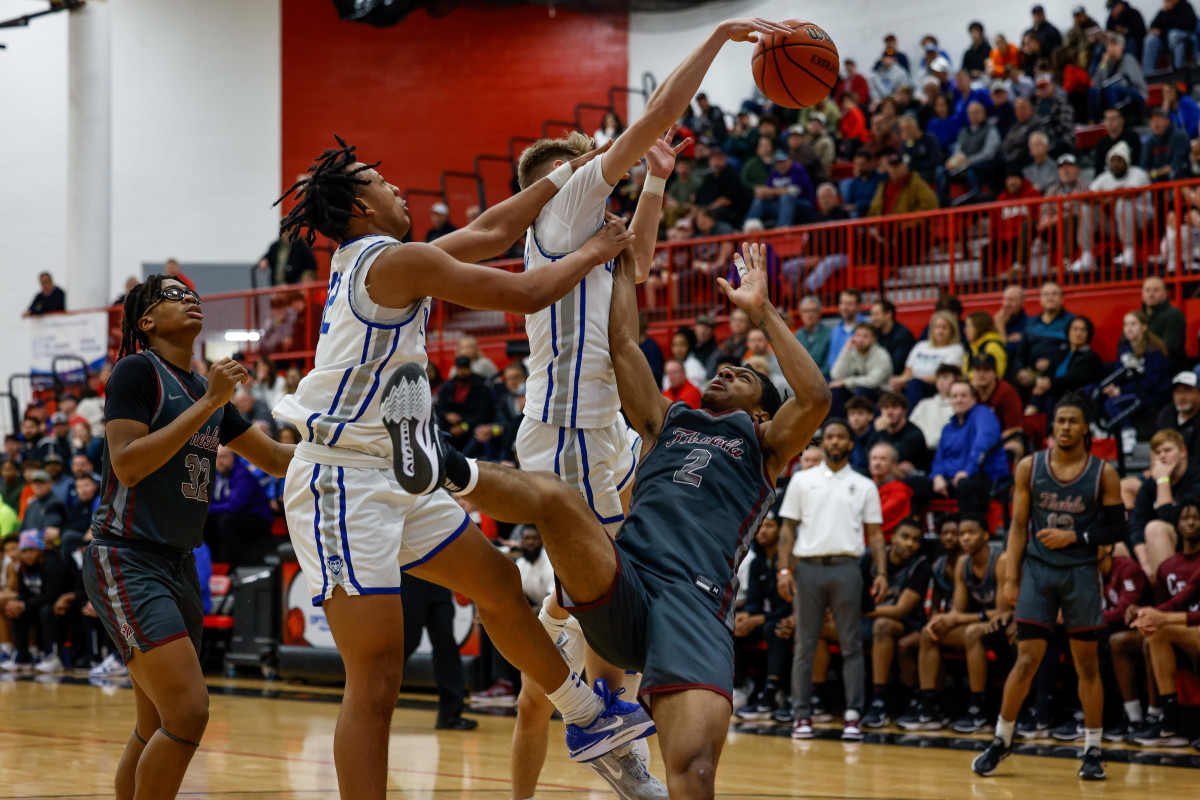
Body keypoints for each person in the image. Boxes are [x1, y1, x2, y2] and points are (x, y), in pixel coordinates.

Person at [269, 132, 644, 800]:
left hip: (394, 466)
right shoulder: (391, 262)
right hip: (341, 478)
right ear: (360, 208)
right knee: (378, 677)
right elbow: (528, 293)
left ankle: (587, 718)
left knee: (499, 583)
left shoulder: (387, 259)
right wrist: (595, 249)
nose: (396, 189)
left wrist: (574, 174)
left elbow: (495, 226)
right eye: (379, 183)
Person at [383, 239, 827, 798]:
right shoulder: (669, 419)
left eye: (741, 374)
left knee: (693, 769)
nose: (726, 371)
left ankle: (613, 736)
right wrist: (620, 263)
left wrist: (760, 311)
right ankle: (442, 464)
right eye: (727, 367)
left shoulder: (765, 445)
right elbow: (622, 344)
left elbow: (814, 397)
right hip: (626, 581)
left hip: (694, 601)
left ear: (762, 410)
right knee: (560, 500)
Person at [77, 276, 293, 799]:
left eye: (192, 293)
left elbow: (276, 460)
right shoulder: (136, 371)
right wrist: (211, 403)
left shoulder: (204, 390)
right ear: (145, 322)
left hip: (177, 562)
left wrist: (351, 446)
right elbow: (127, 466)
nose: (190, 299)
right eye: (173, 295)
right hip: (126, 556)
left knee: (156, 725)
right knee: (189, 712)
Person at [972, 394, 1125, 781]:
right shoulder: (1030, 466)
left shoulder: (1103, 473)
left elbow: (1117, 529)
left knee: (1087, 666)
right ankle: (1002, 739)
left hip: (1081, 573)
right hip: (1039, 573)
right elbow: (1018, 526)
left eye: (1073, 421)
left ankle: (1092, 749)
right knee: (1025, 661)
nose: (1065, 427)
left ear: (1085, 427)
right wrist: (1010, 577)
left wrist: (1077, 536)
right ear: (1052, 426)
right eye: (1060, 421)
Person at [778, 418, 887, 741]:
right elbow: (787, 529)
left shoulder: (865, 485)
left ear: (851, 444)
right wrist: (784, 570)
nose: (836, 441)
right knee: (805, 645)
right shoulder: (802, 480)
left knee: (851, 643)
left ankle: (853, 714)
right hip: (808, 568)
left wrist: (880, 571)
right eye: (831, 437)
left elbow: (877, 535)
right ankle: (801, 715)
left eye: (842, 437)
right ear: (823, 443)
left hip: (847, 567)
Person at [906, 513, 1006, 732]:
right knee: (929, 632)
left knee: (972, 632)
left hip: (1005, 623)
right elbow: (958, 608)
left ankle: (977, 710)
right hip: (979, 621)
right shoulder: (963, 562)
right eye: (962, 534)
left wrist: (957, 618)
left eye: (971, 533)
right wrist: (945, 618)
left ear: (986, 536)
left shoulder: (1001, 560)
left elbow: (1002, 611)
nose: (965, 538)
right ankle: (929, 707)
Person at [1127, 497, 1200, 746]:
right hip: (1190, 631)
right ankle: (1167, 720)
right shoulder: (1169, 566)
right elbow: (1178, 600)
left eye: (1196, 517)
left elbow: (1172, 611)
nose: (1191, 523)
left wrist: (1163, 617)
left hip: (1193, 627)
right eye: (1185, 518)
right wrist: (1144, 614)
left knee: (1161, 628)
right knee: (1155, 633)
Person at [861, 517, 931, 728]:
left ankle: (879, 702)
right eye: (905, 537)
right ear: (892, 538)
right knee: (822, 628)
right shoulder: (868, 561)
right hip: (868, 621)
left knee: (883, 625)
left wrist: (860, 611)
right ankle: (813, 697)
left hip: (906, 624)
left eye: (916, 540)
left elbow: (901, 610)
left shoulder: (921, 566)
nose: (910, 544)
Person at [732, 513, 795, 721]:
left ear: (781, 531)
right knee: (731, 624)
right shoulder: (757, 561)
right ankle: (741, 685)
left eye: (770, 526)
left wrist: (758, 619)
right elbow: (754, 600)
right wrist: (746, 615)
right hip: (766, 617)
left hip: (786, 619)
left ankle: (772, 692)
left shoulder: (789, 562)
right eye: (761, 526)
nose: (764, 531)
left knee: (773, 629)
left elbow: (789, 606)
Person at [401, 573, 477, 730]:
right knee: (406, 644)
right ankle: (369, 704)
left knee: (447, 646)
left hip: (438, 581)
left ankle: (450, 715)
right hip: (410, 577)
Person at [1129, 429, 1200, 580]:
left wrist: (1163, 481)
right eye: (1157, 452)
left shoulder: (1196, 478)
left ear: (1182, 452)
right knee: (1118, 548)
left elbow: (1174, 521)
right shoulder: (1149, 485)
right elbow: (1137, 523)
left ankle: (1168, 597)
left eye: (1167, 450)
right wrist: (1145, 562)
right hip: (1160, 551)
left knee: (1155, 528)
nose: (1162, 456)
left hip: (1192, 544)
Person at [930, 379, 1008, 513]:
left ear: (973, 399)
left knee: (964, 485)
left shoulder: (984, 415)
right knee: (914, 484)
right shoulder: (947, 428)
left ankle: (969, 528)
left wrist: (967, 471)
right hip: (952, 479)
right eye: (954, 396)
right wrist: (937, 476)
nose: (958, 400)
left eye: (963, 395)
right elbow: (939, 457)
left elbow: (982, 445)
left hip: (984, 476)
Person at [1103, 310, 1170, 436]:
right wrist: (1113, 387)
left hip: (1151, 394)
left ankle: (1128, 433)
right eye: (1126, 325)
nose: (1129, 328)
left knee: (1111, 403)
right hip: (1132, 391)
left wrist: (1122, 391)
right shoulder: (1124, 349)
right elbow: (1119, 374)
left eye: (1133, 324)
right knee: (1096, 393)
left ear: (1144, 327)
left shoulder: (1153, 349)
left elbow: (1153, 381)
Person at [1088, 141, 1153, 268]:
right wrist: (1103, 200)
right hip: (1114, 223)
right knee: (1086, 207)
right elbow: (1087, 196)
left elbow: (1128, 194)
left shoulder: (1138, 174)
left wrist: (1107, 198)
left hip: (1142, 221)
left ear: (1127, 162)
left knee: (1123, 201)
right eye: (1113, 161)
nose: (1116, 164)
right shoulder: (1104, 177)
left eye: (1119, 161)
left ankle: (1129, 250)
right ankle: (1086, 254)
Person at [1028, 315, 1105, 414]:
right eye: (1075, 329)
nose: (1078, 333)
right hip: (1053, 391)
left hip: (1075, 397)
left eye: (1083, 330)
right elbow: (1049, 371)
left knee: (1048, 397)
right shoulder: (1062, 352)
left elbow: (1073, 380)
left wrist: (1049, 383)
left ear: (1088, 334)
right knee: (1040, 393)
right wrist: (1041, 381)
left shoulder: (1091, 357)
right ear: (1068, 332)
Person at [892, 310, 965, 409]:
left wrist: (912, 380)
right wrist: (899, 380)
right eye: (937, 327)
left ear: (952, 330)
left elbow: (943, 377)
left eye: (944, 328)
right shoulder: (921, 345)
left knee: (915, 385)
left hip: (936, 388)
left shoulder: (956, 350)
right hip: (911, 385)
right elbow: (907, 372)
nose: (940, 331)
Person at [829, 323, 894, 416]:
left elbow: (873, 381)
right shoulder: (851, 353)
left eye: (865, 336)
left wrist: (847, 381)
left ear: (874, 339)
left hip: (880, 393)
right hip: (855, 392)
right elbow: (835, 375)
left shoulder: (881, 355)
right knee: (836, 392)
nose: (860, 339)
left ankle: (861, 425)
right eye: (858, 335)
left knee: (862, 390)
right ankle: (838, 424)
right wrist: (846, 349)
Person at [970, 355, 1025, 458]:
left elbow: (1015, 429)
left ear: (995, 373)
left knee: (1014, 447)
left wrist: (989, 442)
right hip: (976, 439)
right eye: (977, 370)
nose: (981, 374)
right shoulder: (969, 393)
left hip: (1003, 439)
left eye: (986, 370)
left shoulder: (1006, 392)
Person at [436, 356, 495, 451]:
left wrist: (465, 426)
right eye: (460, 368)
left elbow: (484, 413)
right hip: (449, 424)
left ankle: (465, 458)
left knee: (480, 430)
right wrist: (447, 415)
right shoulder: (447, 386)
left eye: (465, 368)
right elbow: (439, 408)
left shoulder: (481, 386)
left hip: (471, 424)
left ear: (470, 368)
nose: (463, 372)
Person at [869, 391, 931, 475]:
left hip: (916, 476)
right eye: (886, 408)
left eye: (894, 407)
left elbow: (893, 457)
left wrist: (881, 432)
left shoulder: (914, 434)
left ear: (904, 411)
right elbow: (868, 455)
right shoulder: (881, 430)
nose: (889, 412)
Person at [1089, 32, 1147, 121]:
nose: (1112, 49)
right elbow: (1096, 82)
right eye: (1109, 46)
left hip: (1134, 91)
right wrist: (1103, 64)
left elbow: (1127, 82)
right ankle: (1092, 121)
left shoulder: (1128, 59)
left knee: (1111, 88)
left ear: (1122, 47)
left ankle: (1112, 119)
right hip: (1112, 89)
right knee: (1093, 90)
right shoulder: (1107, 62)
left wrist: (1108, 84)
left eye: (1115, 45)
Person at [1139, 276, 1187, 371]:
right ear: (1142, 294)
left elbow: (1170, 348)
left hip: (1167, 369)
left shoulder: (1174, 315)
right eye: (1147, 290)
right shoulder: (1138, 316)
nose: (1151, 294)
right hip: (1141, 365)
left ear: (1165, 294)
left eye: (1156, 290)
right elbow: (1123, 344)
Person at [868, 441, 915, 536]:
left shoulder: (899, 491)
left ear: (893, 464)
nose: (877, 463)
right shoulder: (864, 486)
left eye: (883, 459)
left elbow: (880, 518)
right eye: (874, 458)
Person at [912, 364, 962, 450]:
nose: (941, 382)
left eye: (945, 378)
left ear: (956, 380)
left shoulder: (959, 407)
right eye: (939, 378)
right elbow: (911, 427)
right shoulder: (924, 403)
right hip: (919, 450)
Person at [1143, 0, 1199, 72]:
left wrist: (1162, 32)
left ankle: (1176, 70)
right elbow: (1153, 27)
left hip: (1184, 38)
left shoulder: (1185, 6)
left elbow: (1184, 26)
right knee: (1150, 39)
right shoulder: (1164, 11)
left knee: (1173, 35)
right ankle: (1148, 73)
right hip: (1165, 40)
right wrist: (1163, 12)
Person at [1142, 108, 1189, 183]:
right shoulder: (1150, 142)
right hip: (1157, 185)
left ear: (1167, 121)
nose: (1155, 124)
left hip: (1180, 181)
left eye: (1158, 120)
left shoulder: (1179, 137)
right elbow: (1143, 167)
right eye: (1152, 121)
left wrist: (1154, 173)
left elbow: (1177, 165)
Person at [871, 299, 915, 375]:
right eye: (872, 314)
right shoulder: (874, 332)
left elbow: (896, 366)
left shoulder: (903, 335)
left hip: (895, 379)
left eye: (876, 314)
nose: (873, 318)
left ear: (888, 315)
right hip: (876, 375)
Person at [963, 311, 1008, 380]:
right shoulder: (973, 348)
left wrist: (967, 377)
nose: (965, 330)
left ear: (979, 327)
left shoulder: (992, 346)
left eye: (968, 326)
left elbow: (998, 375)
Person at [793, 296, 831, 378]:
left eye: (813, 311)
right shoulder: (798, 335)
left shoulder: (829, 334)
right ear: (800, 314)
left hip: (823, 379)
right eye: (805, 311)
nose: (809, 315)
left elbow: (829, 366)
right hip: (801, 379)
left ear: (819, 313)